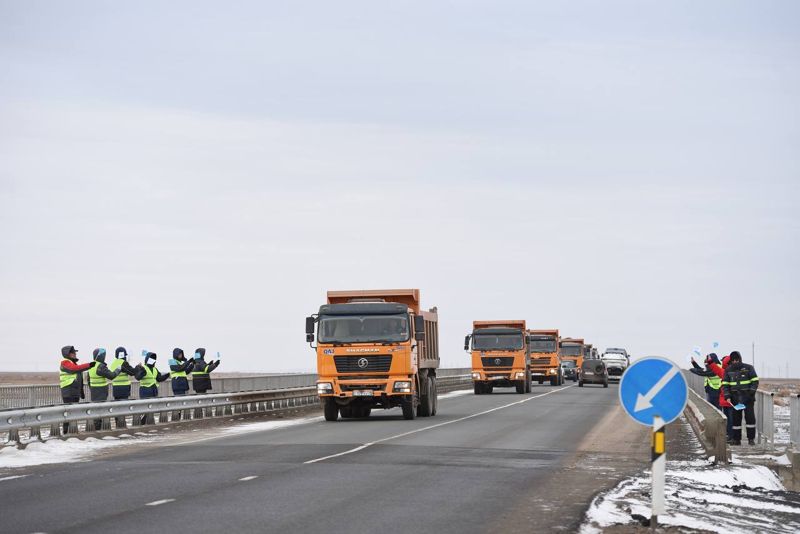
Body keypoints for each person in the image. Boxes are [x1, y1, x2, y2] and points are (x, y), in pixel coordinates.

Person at [722, 351, 759, 446]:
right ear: (731, 360)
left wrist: (751, 394)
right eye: (733, 360)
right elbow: (725, 385)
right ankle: (736, 440)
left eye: (736, 359)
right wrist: (727, 396)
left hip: (748, 399)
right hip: (735, 400)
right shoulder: (728, 370)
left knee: (750, 419)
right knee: (736, 421)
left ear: (740, 359)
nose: (735, 361)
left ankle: (751, 439)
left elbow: (755, 381)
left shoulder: (749, 367)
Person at [59, 345, 95, 434]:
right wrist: (89, 365)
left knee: (74, 413)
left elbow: (79, 379)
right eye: (73, 352)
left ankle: (72, 430)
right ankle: (66, 431)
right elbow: (73, 369)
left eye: (75, 352)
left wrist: (81, 392)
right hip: (68, 391)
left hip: (74, 391)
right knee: (68, 412)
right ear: (67, 354)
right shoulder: (65, 363)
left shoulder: (73, 363)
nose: (75, 354)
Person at [87, 348, 121, 430]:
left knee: (96, 411)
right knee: (100, 411)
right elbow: (112, 376)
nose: (104, 357)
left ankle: (96, 428)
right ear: (100, 356)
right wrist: (118, 369)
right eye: (103, 355)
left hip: (94, 392)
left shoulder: (91, 365)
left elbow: (88, 380)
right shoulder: (100, 366)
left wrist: (92, 388)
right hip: (101, 392)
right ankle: (98, 429)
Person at [134, 352, 170, 425]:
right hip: (145, 390)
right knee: (144, 409)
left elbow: (159, 378)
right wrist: (142, 371)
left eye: (153, 359)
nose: (152, 360)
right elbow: (138, 377)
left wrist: (167, 375)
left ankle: (149, 424)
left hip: (153, 391)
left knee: (151, 410)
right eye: (151, 359)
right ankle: (141, 424)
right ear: (147, 359)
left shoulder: (155, 369)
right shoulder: (143, 367)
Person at [708, 355, 734, 442]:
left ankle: (729, 435)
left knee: (728, 420)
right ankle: (731, 436)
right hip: (732, 401)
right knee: (732, 420)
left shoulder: (724, 372)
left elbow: (715, 369)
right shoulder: (735, 373)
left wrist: (710, 362)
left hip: (726, 400)